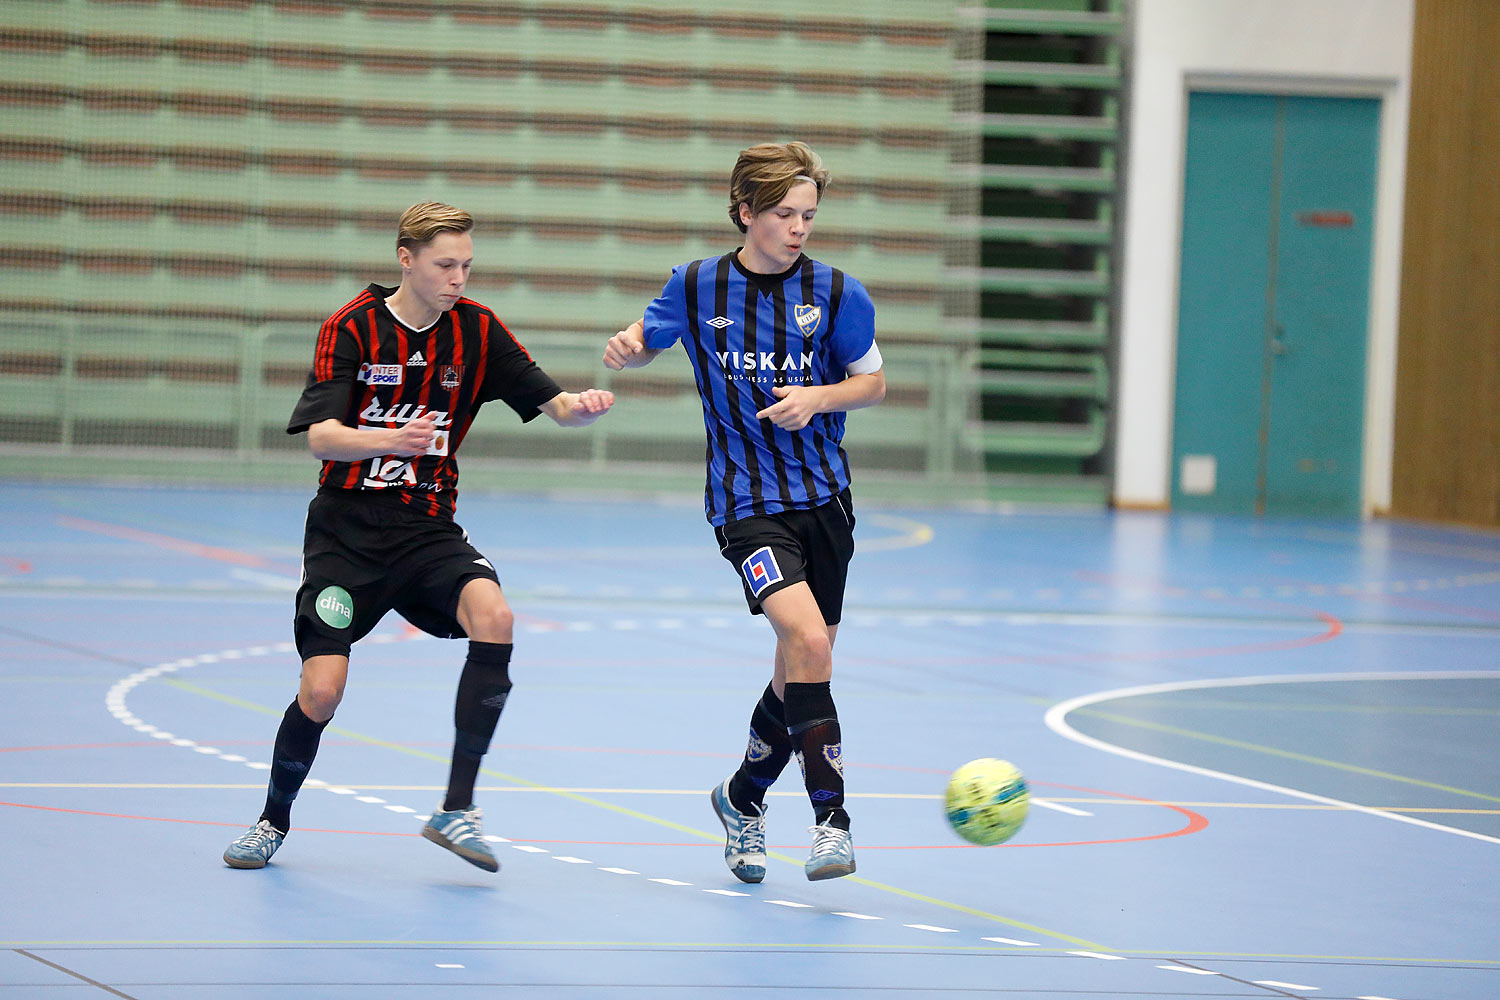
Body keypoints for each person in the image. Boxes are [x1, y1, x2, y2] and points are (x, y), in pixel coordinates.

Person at [223, 201, 614, 873]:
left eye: (466, 265)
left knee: (495, 616)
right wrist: (385, 437)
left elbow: (553, 406)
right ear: (406, 260)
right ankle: (271, 820)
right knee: (321, 692)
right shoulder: (353, 327)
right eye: (444, 265)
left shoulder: (478, 332)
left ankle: (456, 809)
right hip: (346, 536)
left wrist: (579, 408)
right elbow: (320, 436)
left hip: (427, 527)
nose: (458, 278)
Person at [603, 142, 885, 882]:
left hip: (825, 498)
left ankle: (741, 797)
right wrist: (630, 349)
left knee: (802, 665)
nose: (799, 228)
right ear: (746, 213)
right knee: (809, 643)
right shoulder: (698, 286)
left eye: (809, 215)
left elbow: (874, 384)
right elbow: (647, 338)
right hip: (746, 501)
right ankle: (833, 824)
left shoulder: (837, 292)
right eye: (786, 214)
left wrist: (818, 397)